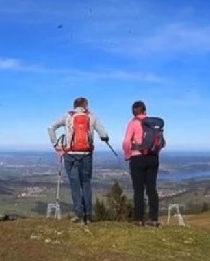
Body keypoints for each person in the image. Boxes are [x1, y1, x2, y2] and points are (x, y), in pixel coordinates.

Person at [48, 97, 109, 225]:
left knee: (75, 186)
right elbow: (103, 134)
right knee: (86, 184)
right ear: (86, 105)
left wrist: (56, 146)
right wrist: (104, 138)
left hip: (70, 155)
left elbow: (50, 128)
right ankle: (88, 216)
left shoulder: (68, 116)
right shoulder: (92, 117)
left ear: (74, 106)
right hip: (86, 155)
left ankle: (79, 216)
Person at [122, 100, 164, 227]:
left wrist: (127, 155)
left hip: (137, 159)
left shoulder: (133, 123)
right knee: (152, 189)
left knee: (139, 189)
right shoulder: (154, 124)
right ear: (145, 111)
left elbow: (126, 142)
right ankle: (154, 219)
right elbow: (161, 143)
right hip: (153, 158)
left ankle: (139, 219)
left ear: (133, 112)